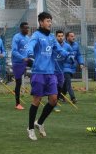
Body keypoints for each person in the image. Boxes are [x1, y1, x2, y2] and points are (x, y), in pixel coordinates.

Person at [25, 12, 71, 141]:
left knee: (53, 100)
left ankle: (39, 122)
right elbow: (30, 46)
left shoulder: (51, 37)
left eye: (50, 21)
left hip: (51, 73)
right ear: (40, 22)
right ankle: (30, 129)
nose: (50, 23)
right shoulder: (36, 35)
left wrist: (68, 55)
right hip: (39, 73)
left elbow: (58, 49)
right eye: (47, 21)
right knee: (37, 100)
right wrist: (30, 54)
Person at [11, 22, 30, 110]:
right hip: (18, 62)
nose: (27, 30)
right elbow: (14, 51)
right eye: (25, 28)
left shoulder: (28, 38)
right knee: (18, 83)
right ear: (21, 28)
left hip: (25, 62)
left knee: (35, 74)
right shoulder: (16, 37)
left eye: (28, 28)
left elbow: (29, 50)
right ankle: (17, 103)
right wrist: (23, 58)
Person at [53, 30, 72, 112]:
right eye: (58, 36)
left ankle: (55, 101)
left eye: (61, 36)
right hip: (52, 70)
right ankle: (54, 104)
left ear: (64, 37)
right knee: (53, 87)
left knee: (59, 87)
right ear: (56, 37)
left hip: (61, 70)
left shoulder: (67, 46)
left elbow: (71, 55)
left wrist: (71, 58)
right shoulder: (53, 45)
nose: (60, 37)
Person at [62, 31, 84, 103]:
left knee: (65, 83)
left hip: (72, 67)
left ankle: (61, 96)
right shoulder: (63, 45)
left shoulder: (76, 45)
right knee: (68, 82)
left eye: (73, 36)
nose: (73, 37)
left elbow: (79, 55)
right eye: (71, 36)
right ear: (67, 37)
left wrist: (81, 63)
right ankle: (73, 98)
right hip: (64, 67)